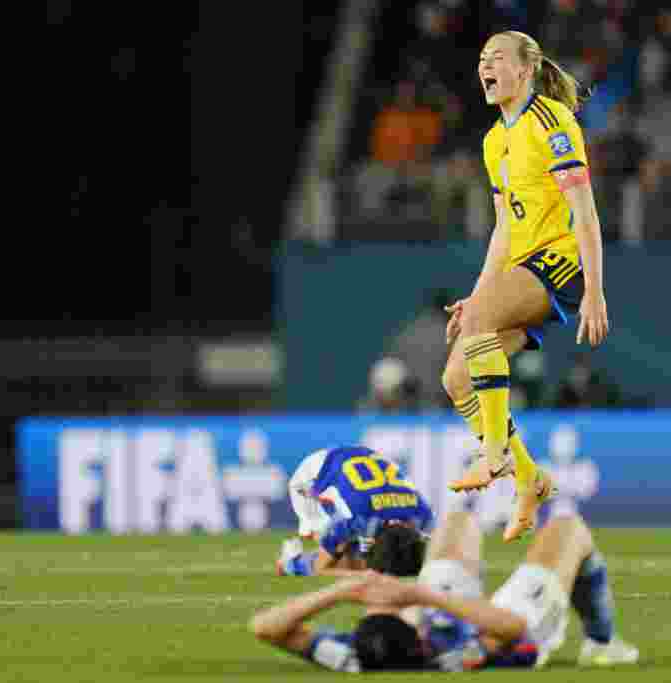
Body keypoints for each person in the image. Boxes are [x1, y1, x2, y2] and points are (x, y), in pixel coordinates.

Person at [441, 31, 610, 541]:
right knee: (456, 378)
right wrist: (479, 295)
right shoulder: (495, 141)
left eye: (496, 58)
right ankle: (530, 477)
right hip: (522, 264)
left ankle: (493, 453)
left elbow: (585, 211)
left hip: (560, 262)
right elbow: (503, 230)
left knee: (478, 332)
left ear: (525, 69)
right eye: (480, 59)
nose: (485, 67)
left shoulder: (552, 122)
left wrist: (597, 291)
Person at [249, 511, 639, 671]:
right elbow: (511, 628)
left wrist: (343, 590)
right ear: (418, 634)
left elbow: (265, 627)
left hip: (443, 609)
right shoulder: (452, 653)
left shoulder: (354, 655)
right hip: (506, 627)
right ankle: (601, 642)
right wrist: (423, 598)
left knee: (456, 523)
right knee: (568, 530)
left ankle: (438, 584)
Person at [277, 446, 433, 578]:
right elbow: (321, 568)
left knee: (362, 557)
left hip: (355, 466)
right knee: (348, 562)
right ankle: (290, 562)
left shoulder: (422, 513)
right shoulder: (354, 518)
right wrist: (364, 575)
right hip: (312, 477)